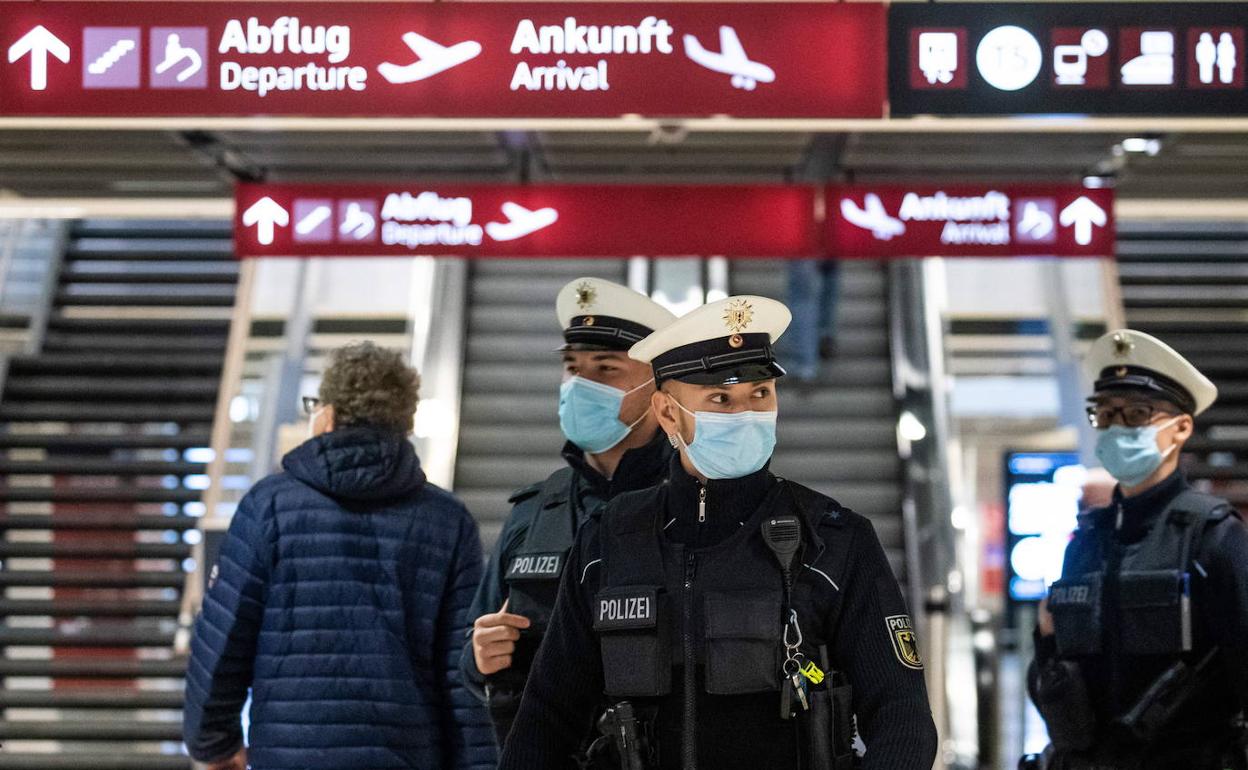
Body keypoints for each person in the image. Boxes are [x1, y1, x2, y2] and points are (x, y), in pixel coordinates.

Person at [498, 295, 938, 770]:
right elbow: (546, 715)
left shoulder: (833, 540)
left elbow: (902, 718)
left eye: (760, 394)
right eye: (720, 399)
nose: (746, 413)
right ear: (667, 414)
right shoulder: (609, 538)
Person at [183, 342, 495, 770]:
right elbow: (464, 674)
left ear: (326, 415)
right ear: (404, 425)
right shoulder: (447, 520)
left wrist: (213, 744)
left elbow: (223, 636)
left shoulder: (269, 506)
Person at [460, 278, 677, 748]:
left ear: (656, 384)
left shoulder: (695, 505)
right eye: (572, 368)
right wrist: (479, 660)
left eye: (606, 369)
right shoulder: (534, 513)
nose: (581, 385)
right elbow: (476, 655)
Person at [1027, 329, 1248, 770]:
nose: (1116, 428)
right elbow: (1055, 677)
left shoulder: (1213, 537)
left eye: (1137, 414)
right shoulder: (1087, 542)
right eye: (1105, 415)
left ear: (1181, 427)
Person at [784, 258, 841, 382]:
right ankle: (824, 332)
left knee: (801, 294)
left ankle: (804, 364)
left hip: (802, 245)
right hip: (831, 242)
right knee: (829, 276)